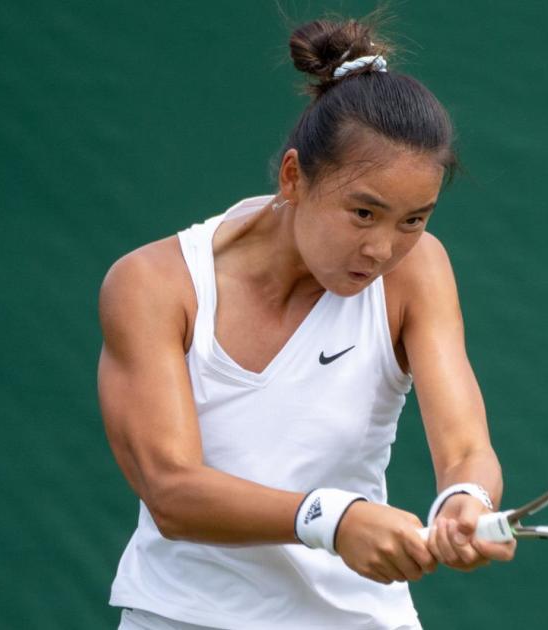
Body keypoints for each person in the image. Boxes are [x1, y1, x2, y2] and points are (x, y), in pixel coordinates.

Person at [98, 16, 515, 630]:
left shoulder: (417, 270)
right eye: (363, 212)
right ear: (293, 177)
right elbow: (171, 491)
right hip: (182, 617)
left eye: (413, 220)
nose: (383, 249)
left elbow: (467, 449)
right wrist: (333, 519)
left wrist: (466, 498)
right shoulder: (155, 284)